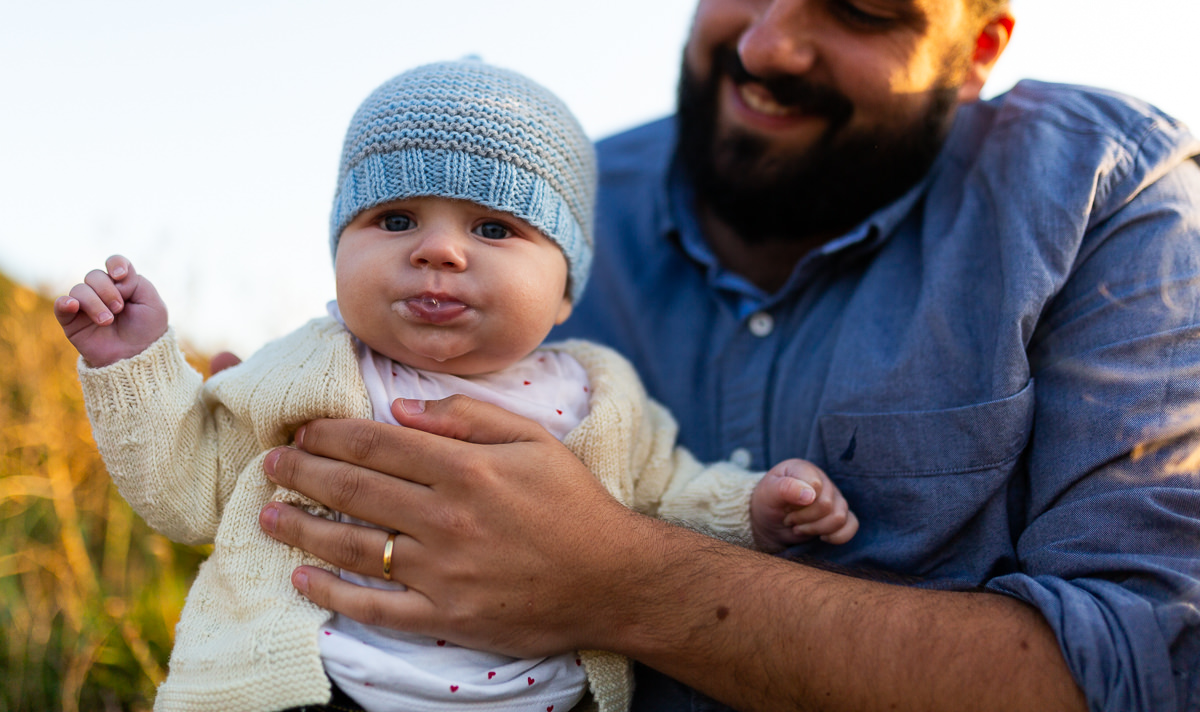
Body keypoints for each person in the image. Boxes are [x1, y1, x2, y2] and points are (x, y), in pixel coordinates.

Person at [250, 0, 1200, 711]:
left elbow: (1143, 666)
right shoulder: (543, 221)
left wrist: (618, 583)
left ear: (976, 51)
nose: (765, 45)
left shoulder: (1100, 203)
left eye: (862, 8)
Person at [54, 60, 858, 712]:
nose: (439, 251)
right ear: (339, 248)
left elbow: (668, 494)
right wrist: (135, 363)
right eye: (396, 219)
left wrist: (752, 507)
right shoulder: (308, 367)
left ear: (567, 290)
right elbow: (188, 486)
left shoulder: (598, 397)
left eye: (494, 228)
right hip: (311, 690)